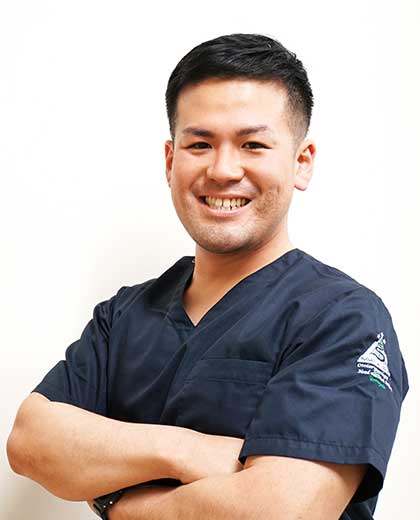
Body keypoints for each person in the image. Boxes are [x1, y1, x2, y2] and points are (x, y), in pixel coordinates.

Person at [7, 33, 408, 520]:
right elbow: (30, 442)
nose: (222, 170)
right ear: (170, 161)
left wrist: (117, 502)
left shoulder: (343, 319)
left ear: (301, 163)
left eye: (252, 144)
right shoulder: (125, 315)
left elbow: (281, 512)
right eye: (200, 144)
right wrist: (186, 449)